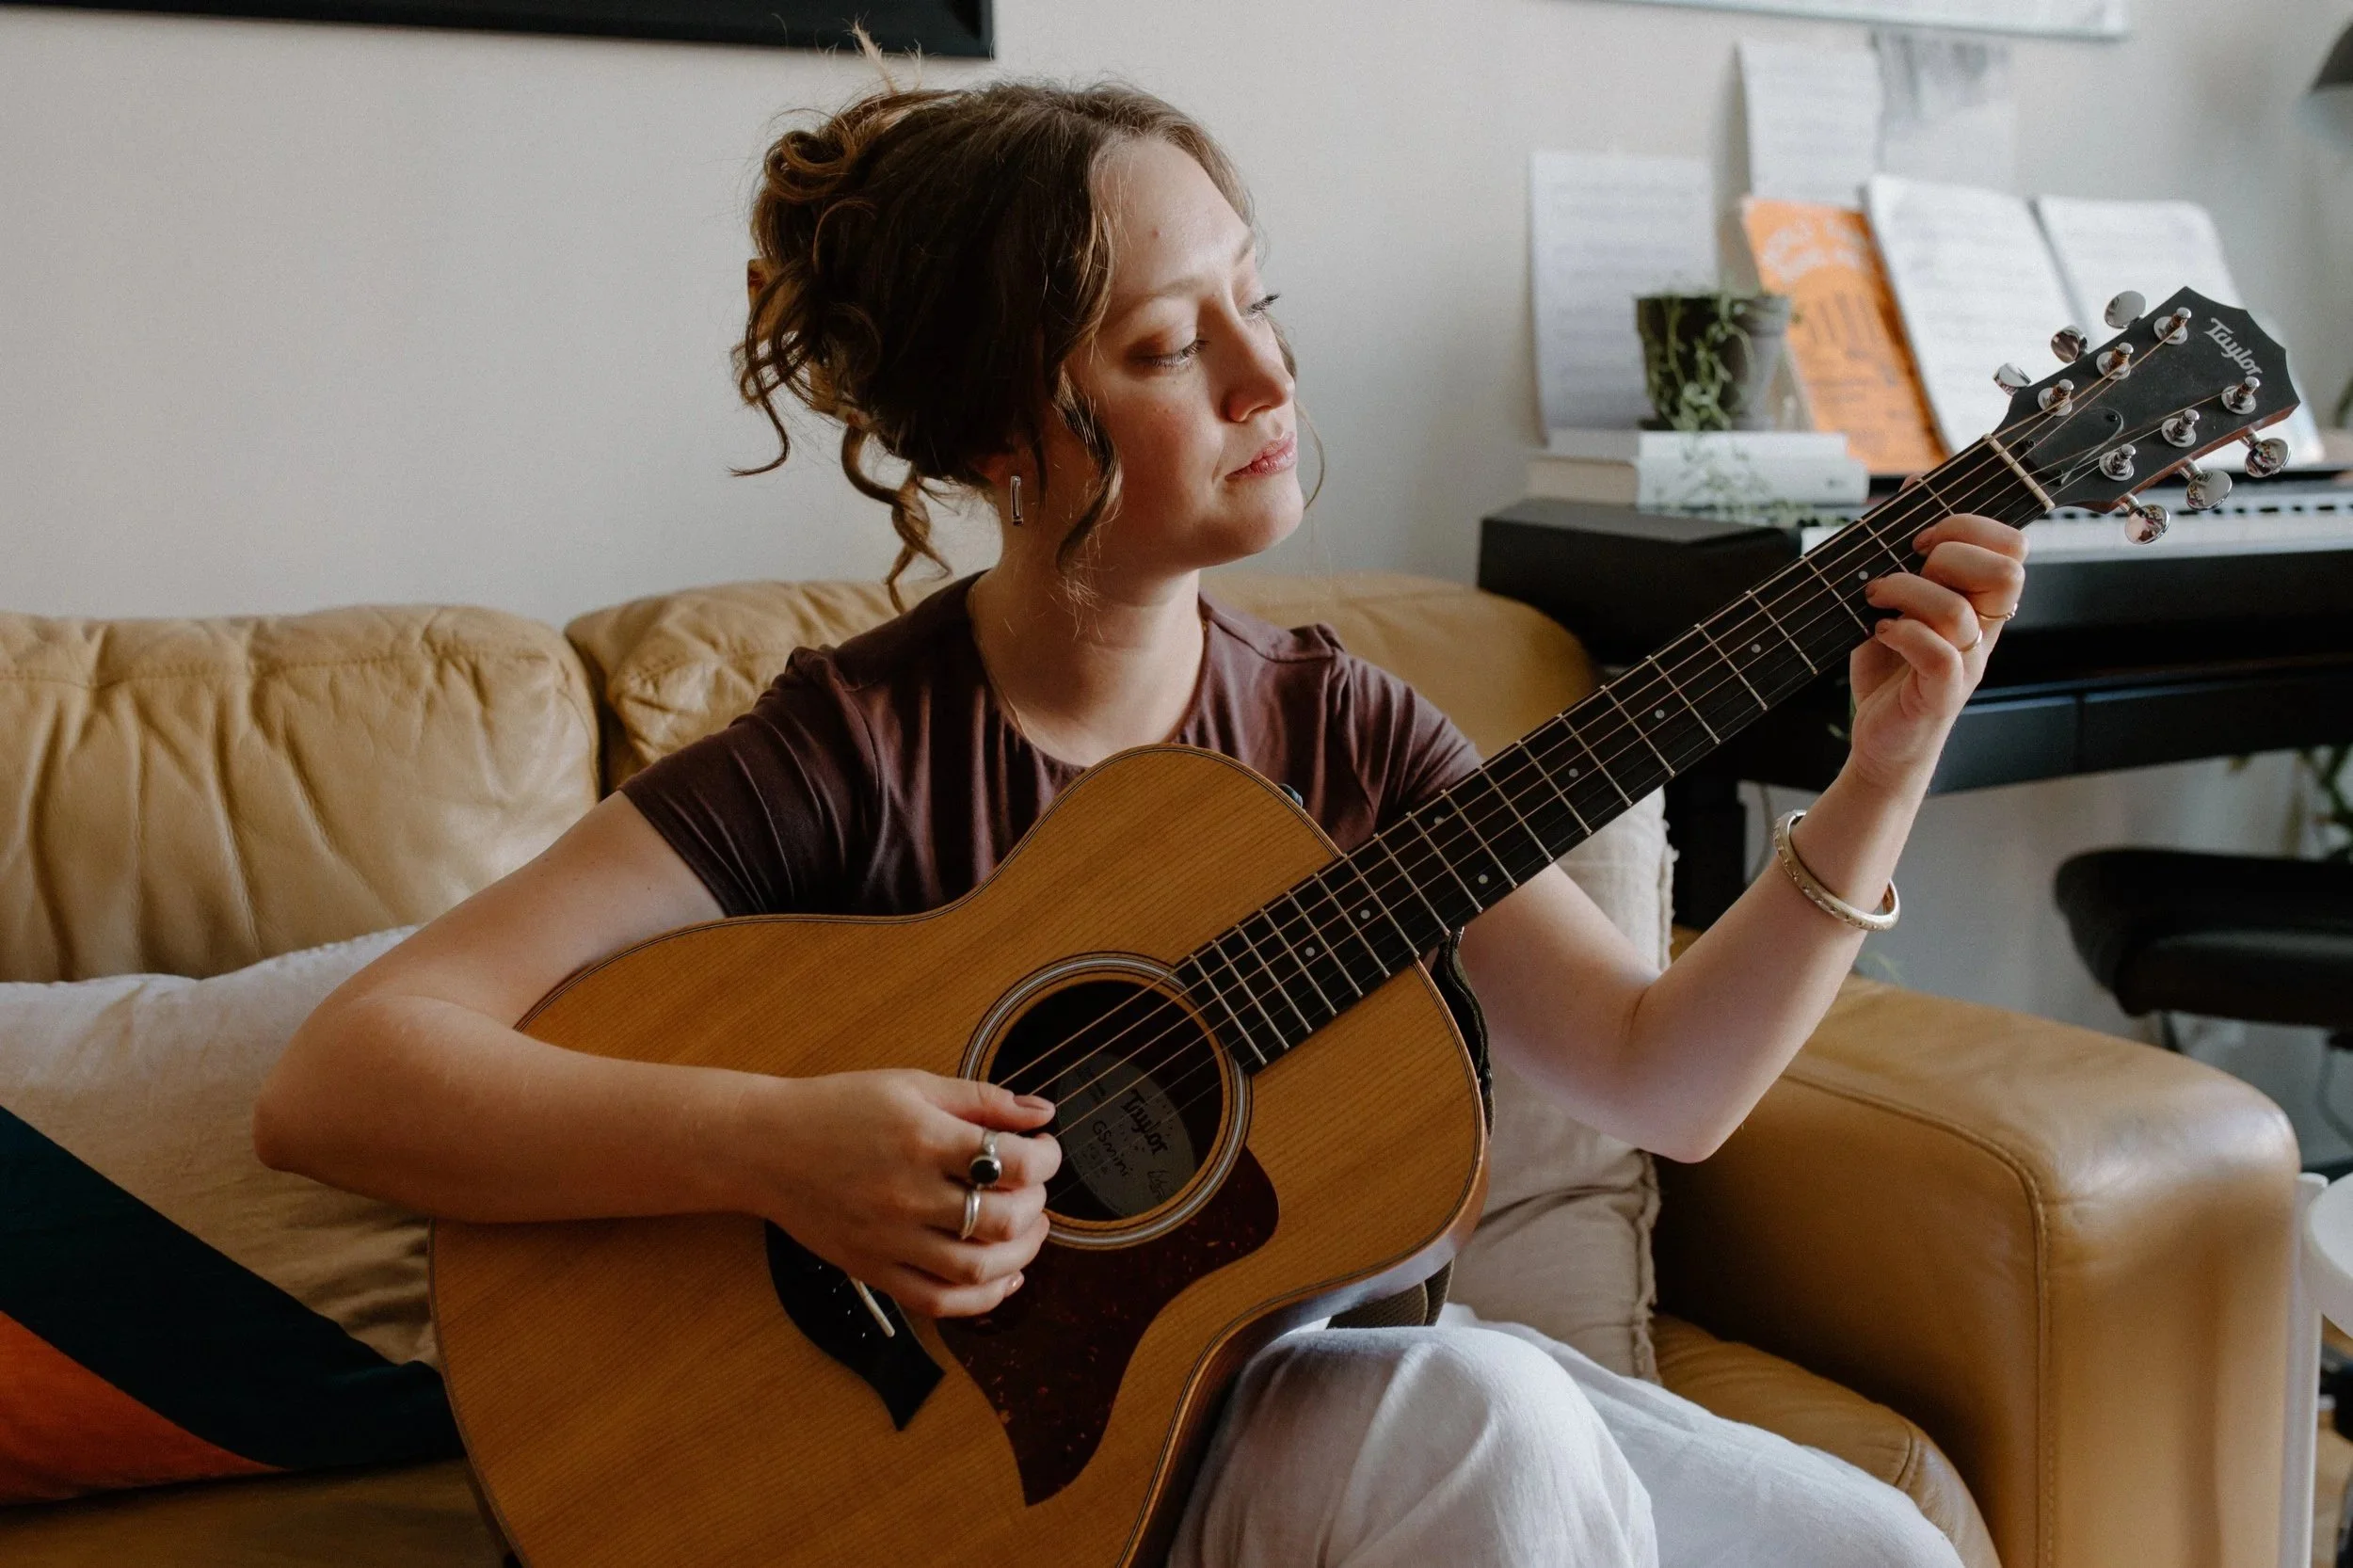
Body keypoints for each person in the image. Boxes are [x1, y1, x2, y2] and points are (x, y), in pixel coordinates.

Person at [255, 70, 2025, 1568]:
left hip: (1289, 1387)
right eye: (1174, 345)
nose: (1267, 381)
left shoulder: (1346, 732)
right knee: (1489, 1413)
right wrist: (784, 1146)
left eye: (1263, 304)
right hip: (1010, 1477)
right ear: (1009, 441)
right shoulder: (854, 749)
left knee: (1885, 1547)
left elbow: (1665, 1079)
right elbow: (343, 1074)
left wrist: (1881, 776)